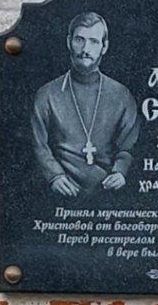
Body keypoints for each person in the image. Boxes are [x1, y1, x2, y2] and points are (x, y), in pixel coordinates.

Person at [30, 11, 142, 198]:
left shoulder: (121, 95)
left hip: (108, 193)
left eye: (94, 41)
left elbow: (129, 146)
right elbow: (38, 145)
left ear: (104, 47)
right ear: (69, 42)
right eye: (79, 40)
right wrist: (54, 175)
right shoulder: (47, 94)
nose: (85, 49)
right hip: (61, 191)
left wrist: (120, 172)